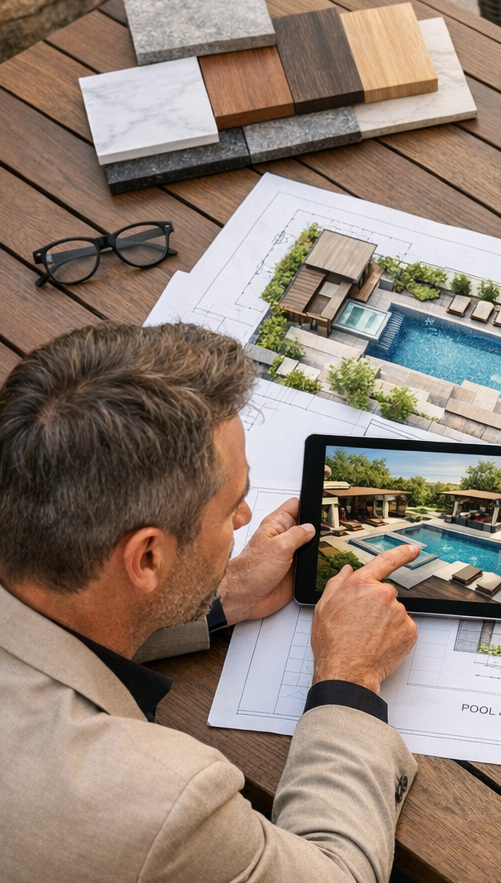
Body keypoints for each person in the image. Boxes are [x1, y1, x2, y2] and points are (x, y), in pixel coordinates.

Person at [0, 322, 422, 883]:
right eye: (231, 506)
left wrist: (221, 596)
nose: (245, 519)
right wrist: (350, 676)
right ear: (148, 558)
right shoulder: (162, 798)